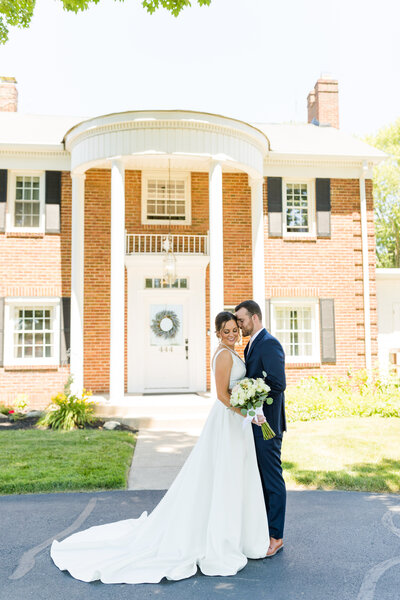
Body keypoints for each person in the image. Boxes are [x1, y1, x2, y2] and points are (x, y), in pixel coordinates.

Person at [50, 312, 269, 584]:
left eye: (235, 329)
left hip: (238, 422)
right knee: (223, 475)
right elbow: (223, 395)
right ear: (217, 334)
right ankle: (220, 539)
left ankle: (238, 536)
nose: (233, 334)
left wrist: (251, 405)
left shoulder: (234, 351)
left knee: (236, 475)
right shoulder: (223, 355)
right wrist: (246, 411)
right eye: (226, 331)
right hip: (228, 421)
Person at [235, 300, 287, 558]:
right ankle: (263, 529)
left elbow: (277, 383)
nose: (239, 325)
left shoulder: (270, 343)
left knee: (272, 479)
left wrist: (252, 397)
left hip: (268, 423)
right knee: (260, 479)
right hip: (255, 422)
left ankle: (276, 536)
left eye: (241, 320)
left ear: (254, 318)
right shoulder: (251, 344)